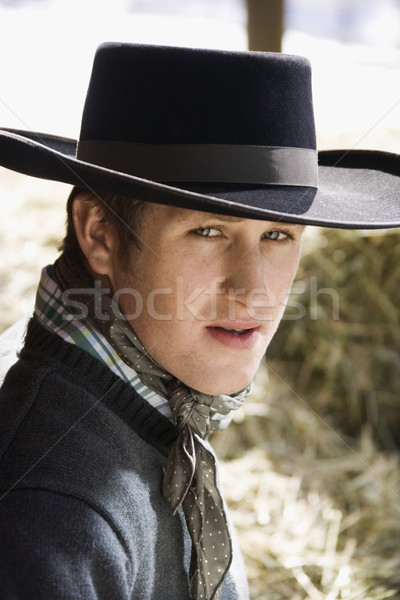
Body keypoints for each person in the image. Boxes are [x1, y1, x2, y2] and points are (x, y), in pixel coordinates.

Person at [0, 42, 399, 600]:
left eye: (278, 235)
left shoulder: (153, 395)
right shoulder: (53, 507)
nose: (254, 289)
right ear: (99, 233)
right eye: (208, 232)